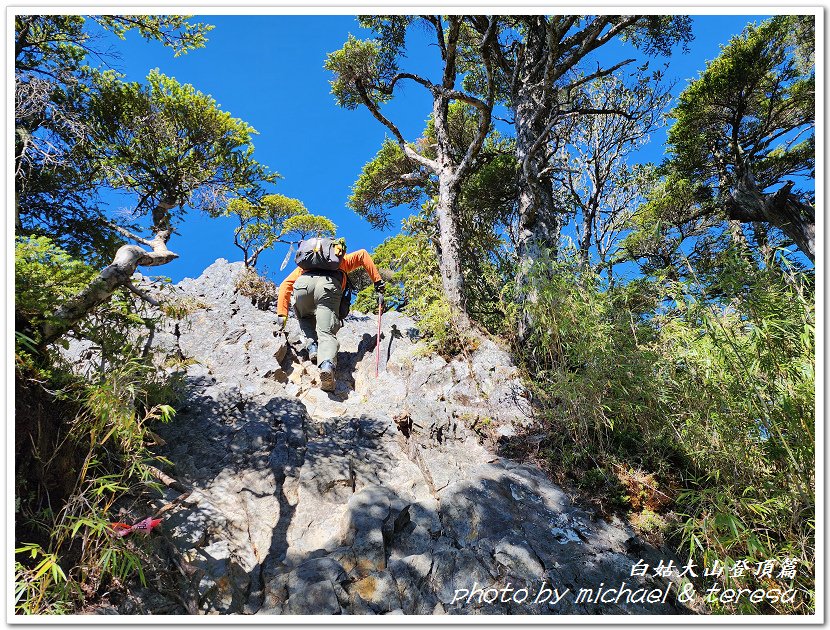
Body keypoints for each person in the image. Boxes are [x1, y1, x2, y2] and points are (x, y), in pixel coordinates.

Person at [276, 238, 385, 392]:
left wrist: (282, 314)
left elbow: (285, 286)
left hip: (303, 286)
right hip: (328, 286)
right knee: (326, 331)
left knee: (304, 316)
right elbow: (362, 255)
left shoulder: (303, 268)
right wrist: (378, 282)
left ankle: (312, 347)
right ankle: (327, 365)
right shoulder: (342, 262)